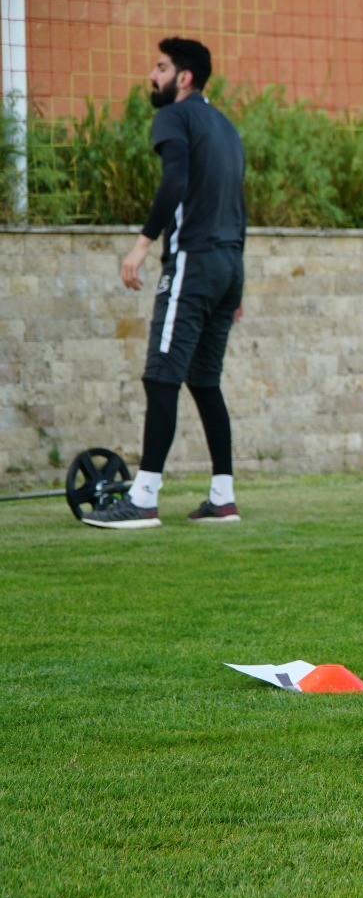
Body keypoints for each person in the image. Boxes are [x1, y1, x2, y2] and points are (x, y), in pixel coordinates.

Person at [83, 38, 246, 529]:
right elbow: (238, 206)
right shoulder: (227, 128)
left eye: (160, 67)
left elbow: (173, 180)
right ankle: (223, 497)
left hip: (194, 261)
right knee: (203, 380)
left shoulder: (175, 118)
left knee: (161, 374)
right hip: (228, 266)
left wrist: (141, 245)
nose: (151, 77)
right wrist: (237, 285)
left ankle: (144, 498)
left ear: (185, 77)